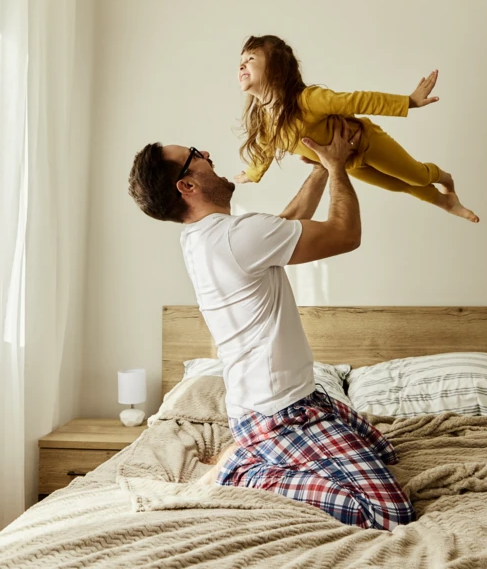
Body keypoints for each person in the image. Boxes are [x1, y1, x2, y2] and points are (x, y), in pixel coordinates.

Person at [128, 119, 415, 530]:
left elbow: (281, 229)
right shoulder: (236, 236)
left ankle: (249, 448)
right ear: (186, 186)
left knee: (385, 451)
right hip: (280, 413)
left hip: (295, 400)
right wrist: (336, 169)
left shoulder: (207, 237)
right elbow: (344, 234)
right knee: (390, 512)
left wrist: (319, 166)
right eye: (195, 156)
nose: (206, 154)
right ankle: (242, 471)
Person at [235, 34, 479, 223]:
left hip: (368, 143)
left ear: (276, 71)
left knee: (415, 176)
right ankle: (446, 203)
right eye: (241, 61)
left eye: (251, 59)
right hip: (348, 163)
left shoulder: (308, 99)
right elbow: (264, 152)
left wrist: (409, 102)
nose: (242, 65)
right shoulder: (266, 124)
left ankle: (442, 176)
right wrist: (251, 175)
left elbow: (357, 100)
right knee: (398, 185)